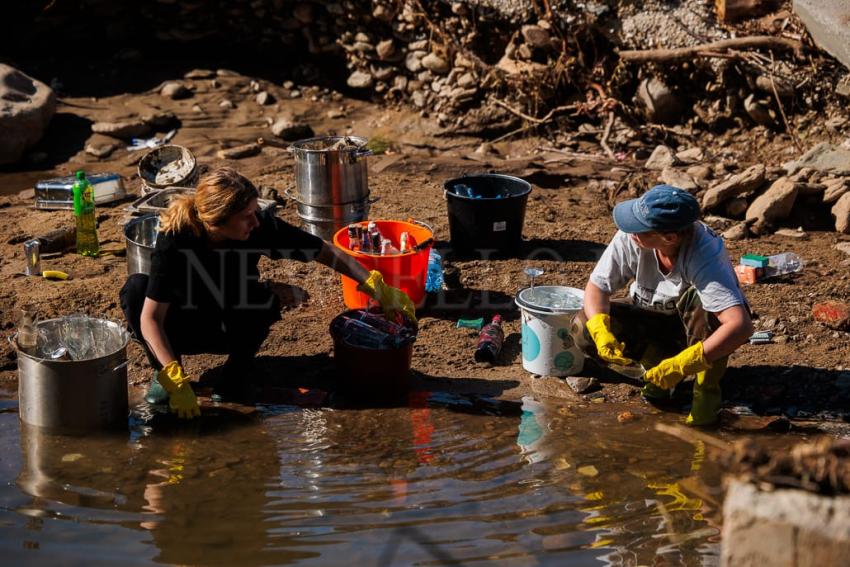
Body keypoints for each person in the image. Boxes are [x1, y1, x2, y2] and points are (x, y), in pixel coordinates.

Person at [120, 167, 415, 419]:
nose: (256, 222)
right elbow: (151, 319)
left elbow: (322, 251)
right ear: (216, 222)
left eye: (255, 212)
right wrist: (174, 377)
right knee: (135, 290)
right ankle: (167, 373)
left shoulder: (258, 229)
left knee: (260, 299)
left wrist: (374, 284)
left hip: (230, 323)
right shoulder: (175, 239)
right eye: (247, 216)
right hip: (183, 326)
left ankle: (234, 376)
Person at [572, 184, 753, 425]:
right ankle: (653, 370)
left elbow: (740, 326)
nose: (630, 231)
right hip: (650, 316)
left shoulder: (704, 253)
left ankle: (704, 391)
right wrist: (599, 329)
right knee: (582, 324)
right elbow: (596, 288)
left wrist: (682, 364)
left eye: (639, 229)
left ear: (668, 237)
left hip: (693, 332)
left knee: (704, 304)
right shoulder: (631, 237)